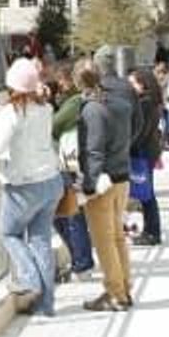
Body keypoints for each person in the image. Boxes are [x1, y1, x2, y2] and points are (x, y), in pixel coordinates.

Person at [0, 57, 61, 316]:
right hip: (51, 181)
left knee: (9, 233)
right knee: (41, 239)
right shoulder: (46, 110)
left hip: (24, 185)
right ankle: (46, 305)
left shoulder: (11, 113)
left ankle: (31, 282)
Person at [76, 61, 134, 312]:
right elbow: (134, 132)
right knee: (118, 237)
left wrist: (88, 185)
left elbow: (93, 150)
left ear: (80, 82)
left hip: (103, 182)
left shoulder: (92, 109)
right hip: (122, 175)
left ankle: (115, 293)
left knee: (104, 240)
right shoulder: (121, 104)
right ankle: (124, 288)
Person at [49, 62, 95, 278]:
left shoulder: (75, 102)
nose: (59, 84)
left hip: (71, 164)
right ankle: (81, 259)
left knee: (69, 215)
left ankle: (82, 262)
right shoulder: (77, 100)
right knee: (67, 214)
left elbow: (54, 126)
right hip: (74, 162)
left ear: (70, 80)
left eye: (61, 80)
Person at [127, 66, 166, 248]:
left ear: (142, 84)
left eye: (132, 82)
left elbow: (140, 130)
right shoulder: (152, 101)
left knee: (146, 194)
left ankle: (152, 232)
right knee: (147, 193)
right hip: (148, 150)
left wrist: (129, 144)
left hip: (142, 150)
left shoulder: (144, 103)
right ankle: (151, 231)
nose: (129, 86)